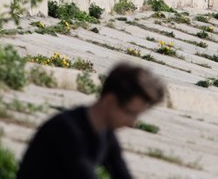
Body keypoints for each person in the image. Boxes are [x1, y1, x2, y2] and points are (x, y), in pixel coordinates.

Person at [17, 63, 166, 179]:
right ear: (110, 101)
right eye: (130, 113)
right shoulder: (68, 131)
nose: (132, 123)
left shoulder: (105, 133)